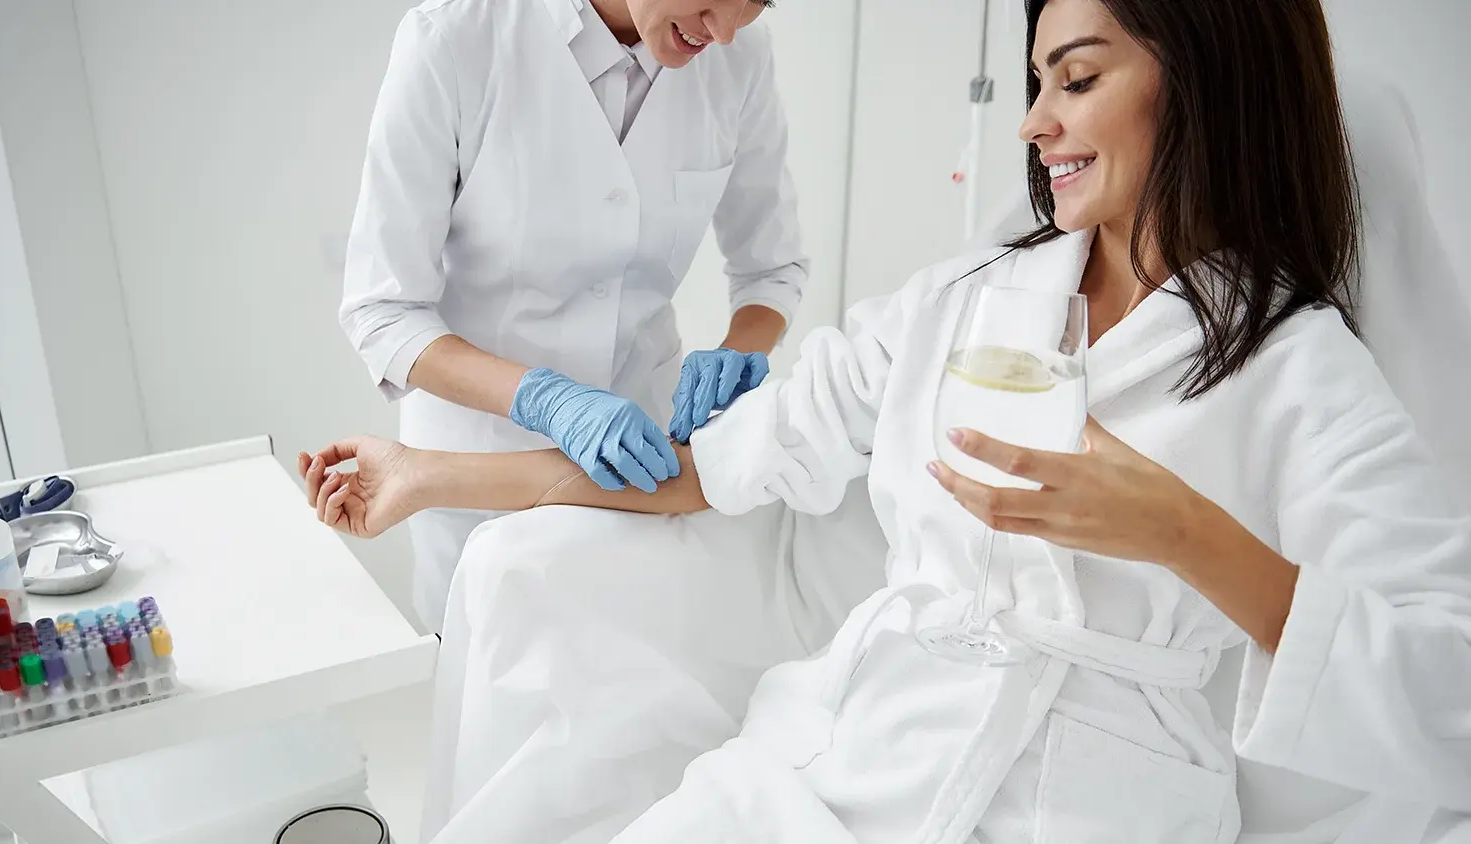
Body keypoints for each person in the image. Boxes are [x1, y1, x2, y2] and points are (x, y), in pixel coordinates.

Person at [304, 0, 1471, 840]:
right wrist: (426, 471)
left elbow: (1448, 686)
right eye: (1036, 84)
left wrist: (1184, 532)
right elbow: (706, 466)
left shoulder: (1300, 369)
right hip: (843, 757)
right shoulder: (964, 303)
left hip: (1097, 802)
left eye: (1075, 80)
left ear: (1205, 81)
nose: (1034, 124)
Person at [338, 0, 806, 632]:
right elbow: (384, 310)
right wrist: (546, 399)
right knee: (488, 671)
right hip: (475, 472)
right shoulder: (453, 40)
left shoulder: (739, 59)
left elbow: (771, 269)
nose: (723, 32)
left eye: (757, 4)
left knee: (637, 665)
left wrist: (740, 350)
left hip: (642, 466)